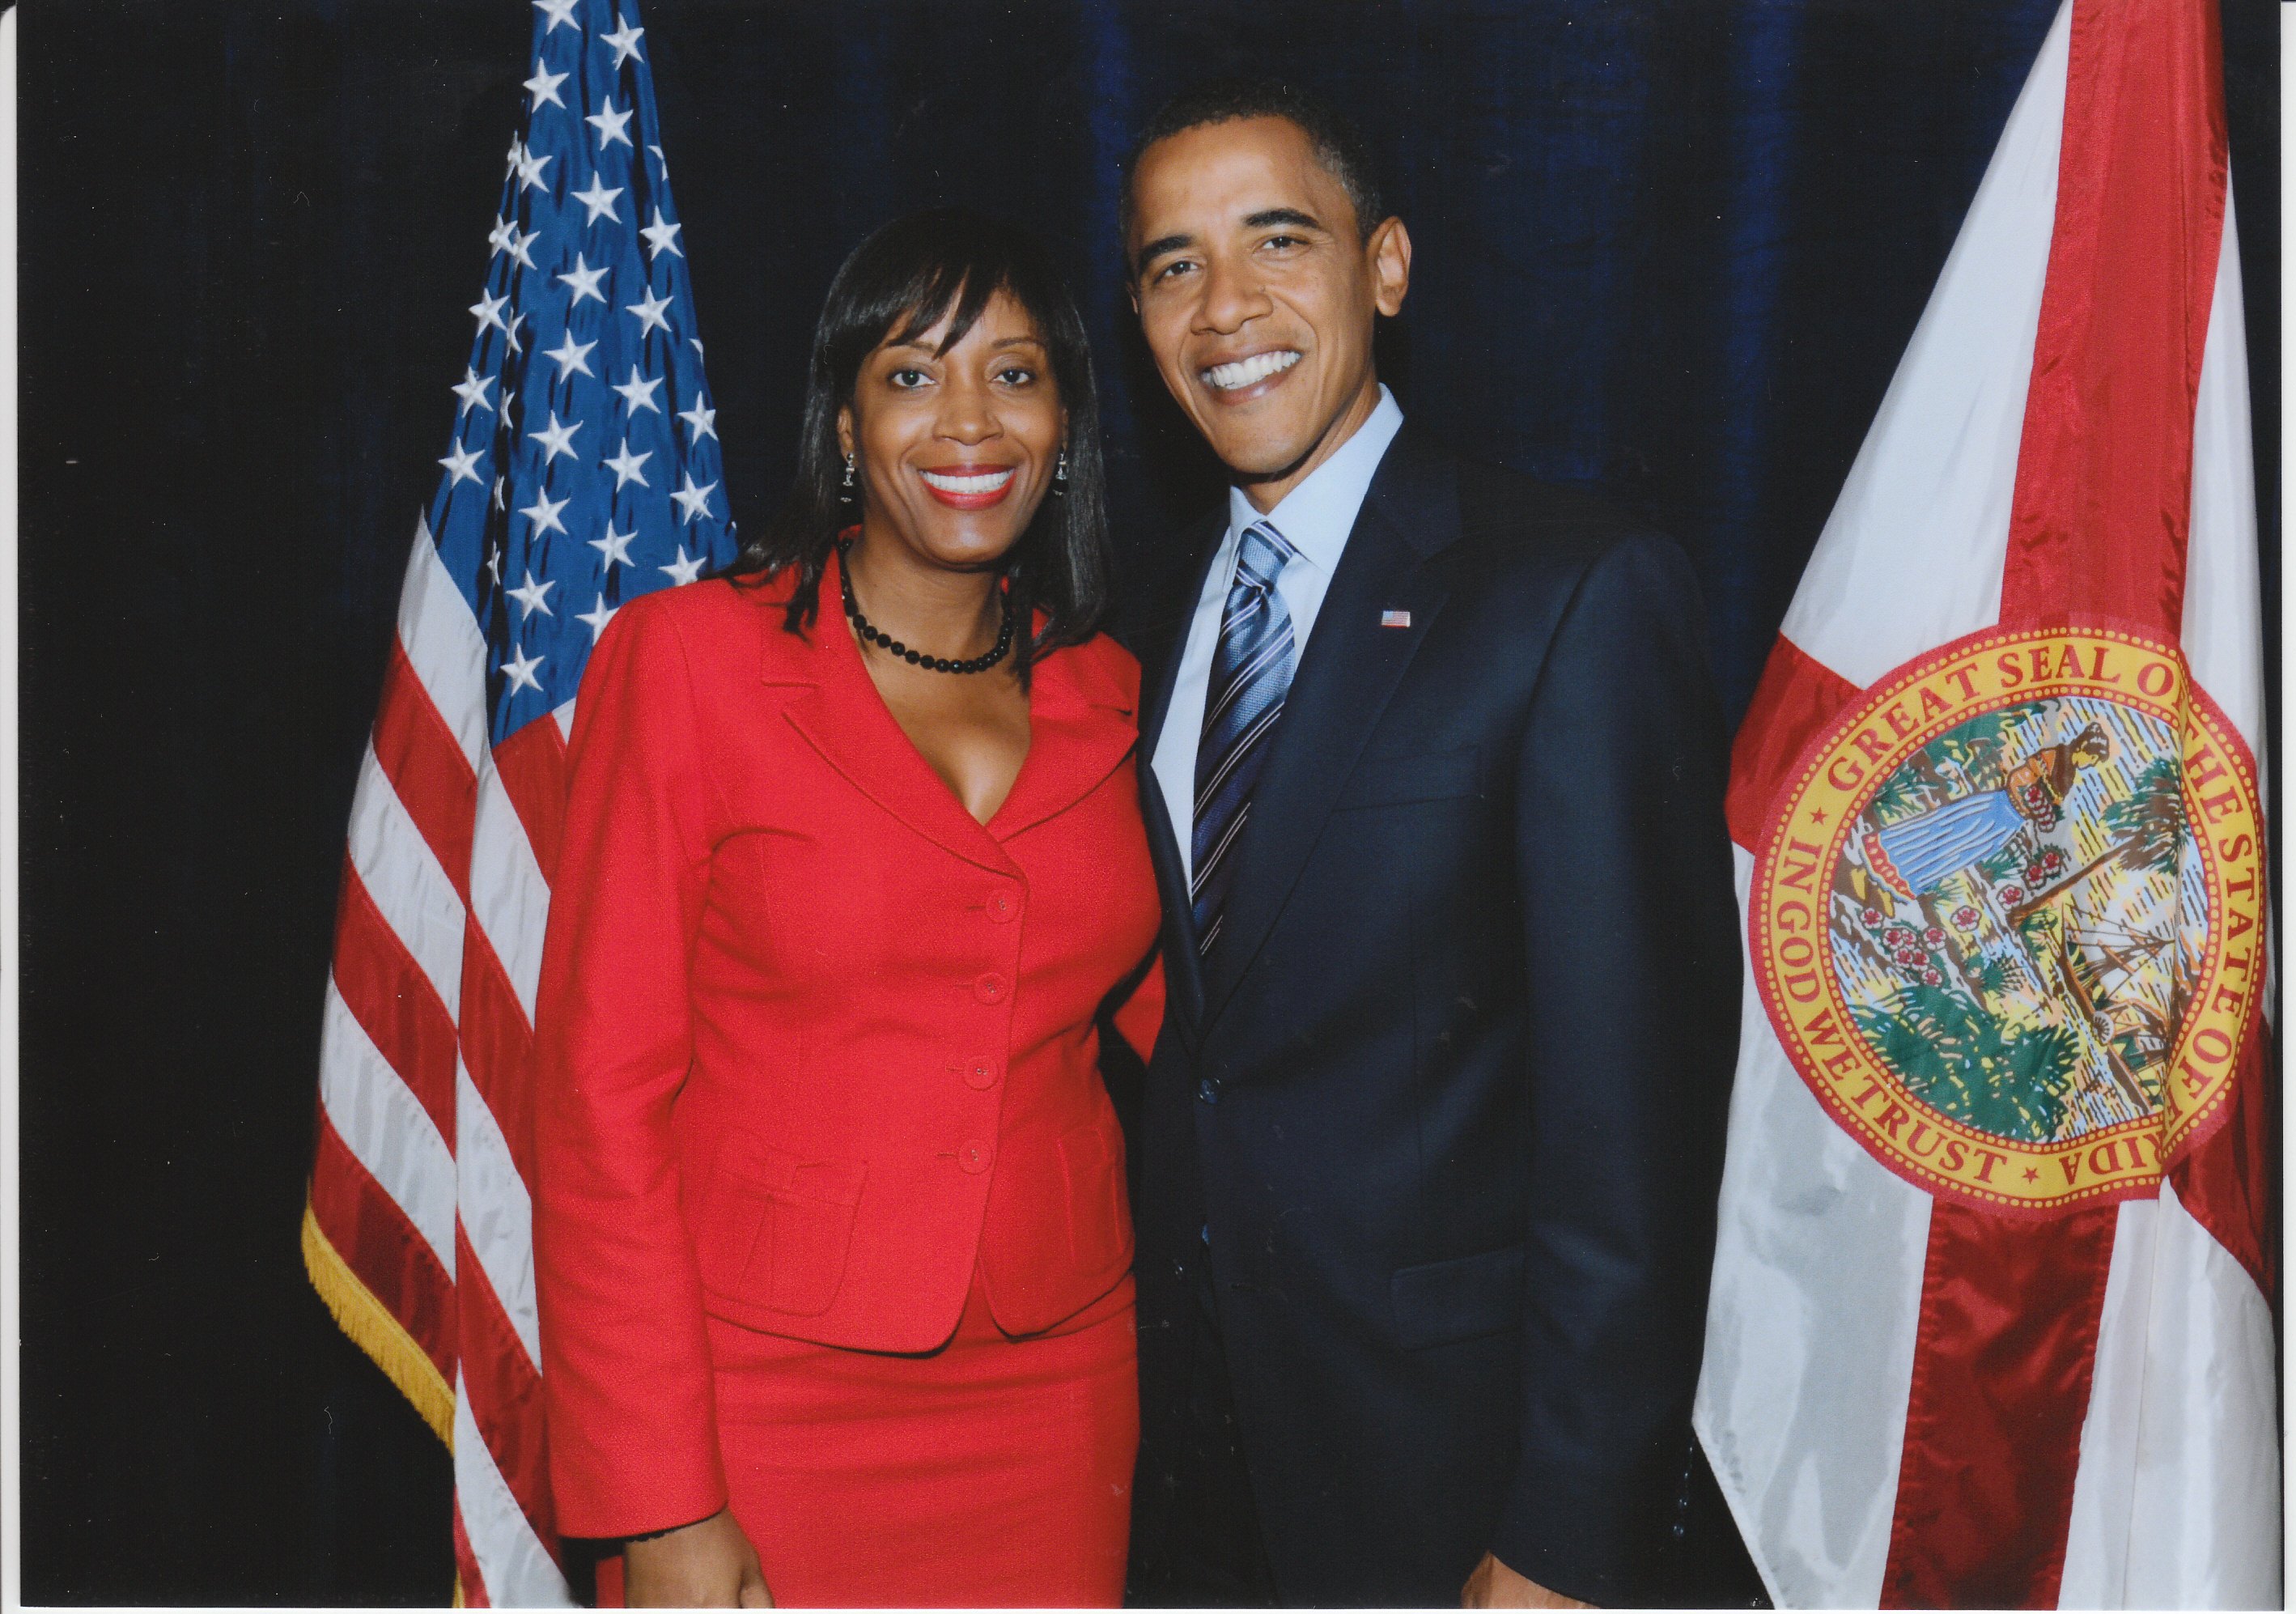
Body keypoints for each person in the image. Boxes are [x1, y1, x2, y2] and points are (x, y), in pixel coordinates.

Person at [1114, 80, 1742, 1608]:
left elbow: (1636, 1131)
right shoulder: (1146, 606)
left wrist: (1567, 1533)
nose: (1224, 307)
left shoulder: (1571, 591)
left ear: (1384, 266)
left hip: (1455, 1483)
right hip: (1188, 1469)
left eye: (1277, 240)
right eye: (1174, 264)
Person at [531, 209, 1164, 1608]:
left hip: (1059, 1387)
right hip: (758, 1397)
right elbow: (597, 1102)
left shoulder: (1123, 695)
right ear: (841, 423)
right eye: (911, 374)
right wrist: (661, 1499)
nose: (968, 420)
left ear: (1065, 427)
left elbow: (1234, 1040)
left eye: (1014, 374)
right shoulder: (689, 661)